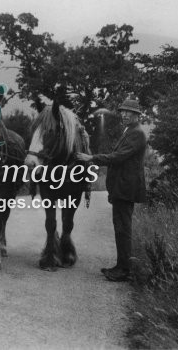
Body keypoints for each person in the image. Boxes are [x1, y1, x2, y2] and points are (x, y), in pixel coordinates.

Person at [76, 96, 146, 282]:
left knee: (123, 228)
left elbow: (118, 157)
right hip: (121, 187)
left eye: (128, 112)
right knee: (120, 227)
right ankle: (121, 266)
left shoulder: (136, 133)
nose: (124, 114)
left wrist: (91, 158)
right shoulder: (130, 130)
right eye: (122, 111)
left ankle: (124, 270)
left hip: (126, 188)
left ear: (136, 115)